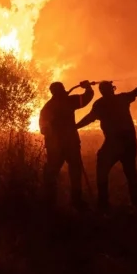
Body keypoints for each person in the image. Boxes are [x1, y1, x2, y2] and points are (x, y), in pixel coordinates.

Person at [75, 80, 137, 211]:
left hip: (113, 142)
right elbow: (136, 91)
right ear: (112, 89)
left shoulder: (100, 104)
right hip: (129, 141)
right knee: (130, 172)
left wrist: (75, 126)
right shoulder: (122, 98)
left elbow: (89, 118)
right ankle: (136, 204)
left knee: (102, 168)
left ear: (101, 91)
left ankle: (103, 203)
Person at [39, 80, 94, 209]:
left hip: (56, 146)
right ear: (60, 91)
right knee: (74, 171)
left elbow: (42, 127)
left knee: (53, 172)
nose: (65, 90)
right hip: (69, 144)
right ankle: (75, 200)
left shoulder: (48, 107)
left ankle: (50, 201)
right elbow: (86, 98)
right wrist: (88, 87)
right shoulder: (69, 102)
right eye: (62, 89)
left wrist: (49, 131)